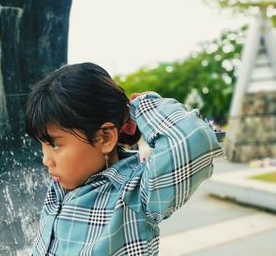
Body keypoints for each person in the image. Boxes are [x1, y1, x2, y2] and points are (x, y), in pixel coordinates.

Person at [25, 62, 223, 255]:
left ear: (106, 138)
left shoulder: (136, 194)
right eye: (42, 145)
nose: (46, 160)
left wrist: (141, 106)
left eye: (54, 145)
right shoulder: (61, 186)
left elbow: (192, 138)